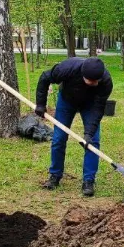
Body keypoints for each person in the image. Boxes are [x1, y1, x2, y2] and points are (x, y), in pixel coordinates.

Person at [36, 57, 113, 196]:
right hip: (67, 101)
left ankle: (88, 180)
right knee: (59, 138)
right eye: (90, 81)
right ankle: (55, 175)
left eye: (96, 81)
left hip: (91, 105)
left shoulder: (106, 81)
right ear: (83, 75)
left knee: (93, 142)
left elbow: (98, 108)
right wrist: (41, 104)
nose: (94, 84)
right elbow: (45, 77)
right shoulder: (67, 68)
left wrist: (89, 133)